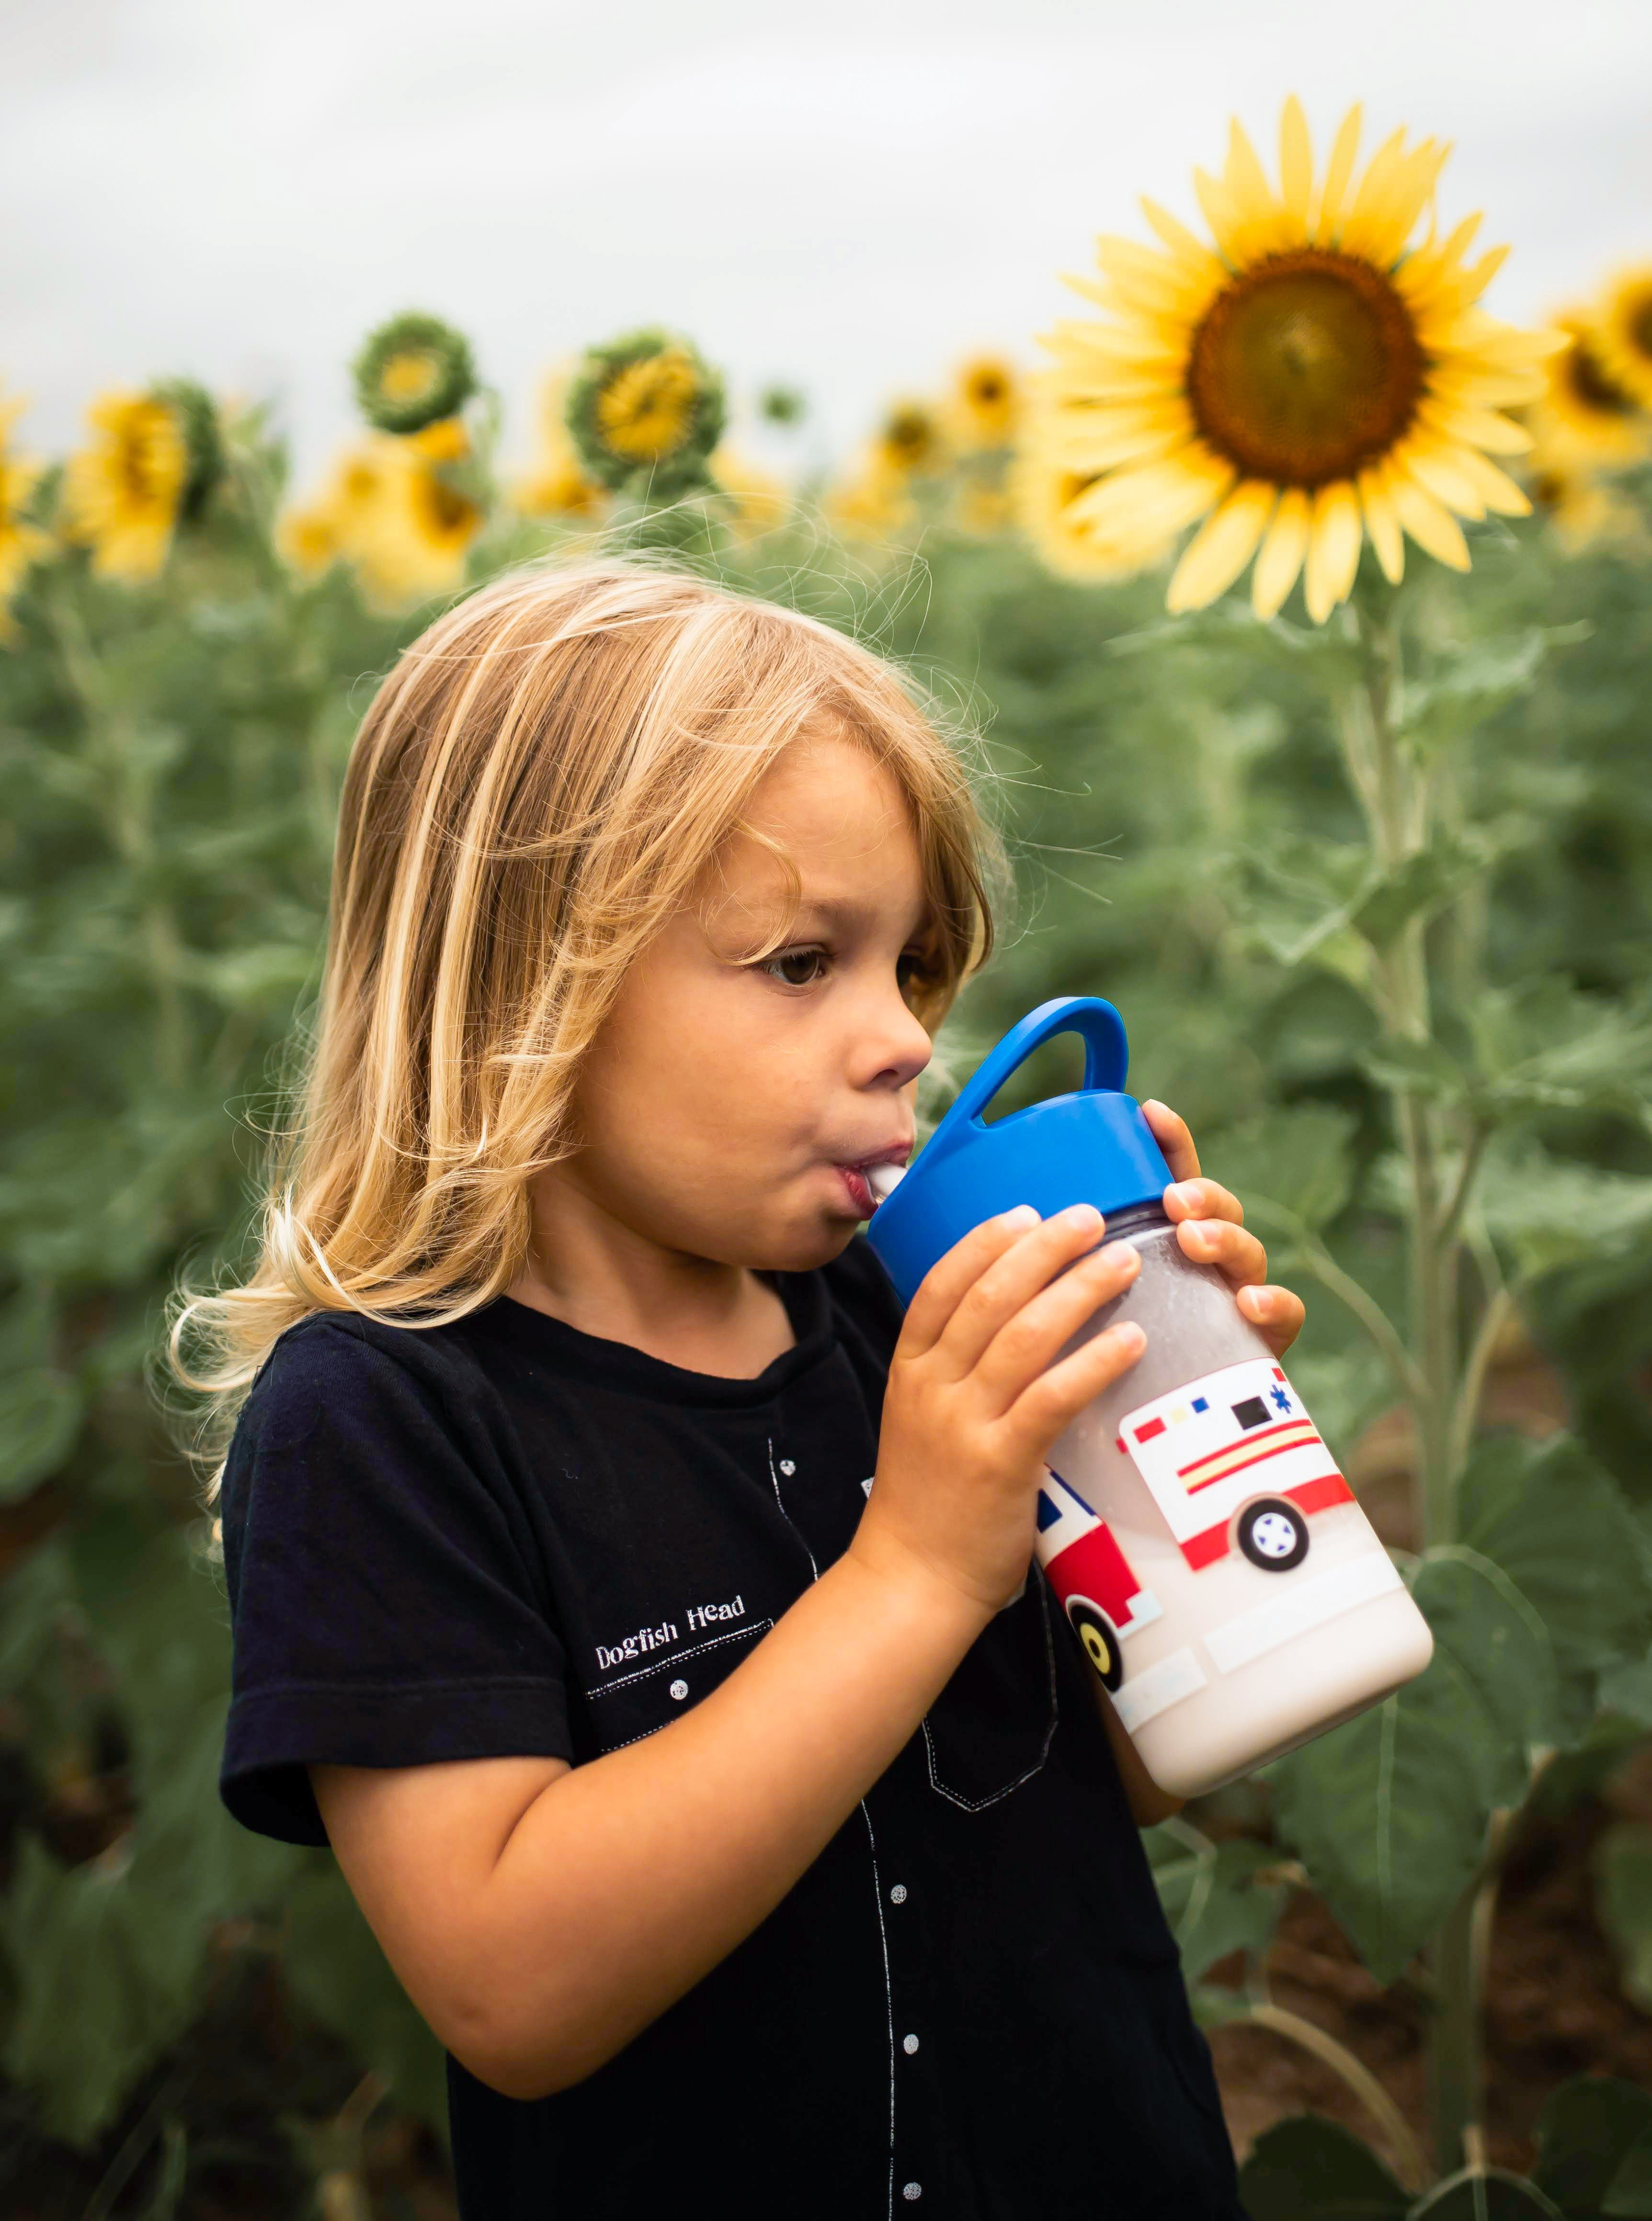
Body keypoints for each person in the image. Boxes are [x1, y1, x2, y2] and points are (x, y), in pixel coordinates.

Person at [177, 560, 1305, 2220]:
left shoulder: (885, 1317)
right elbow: (513, 1992)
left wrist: (1159, 1436)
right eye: (800, 964)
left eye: (909, 966)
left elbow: (1125, 1776)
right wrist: (916, 1565)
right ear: (524, 990)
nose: (901, 1039)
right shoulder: (385, 1423)